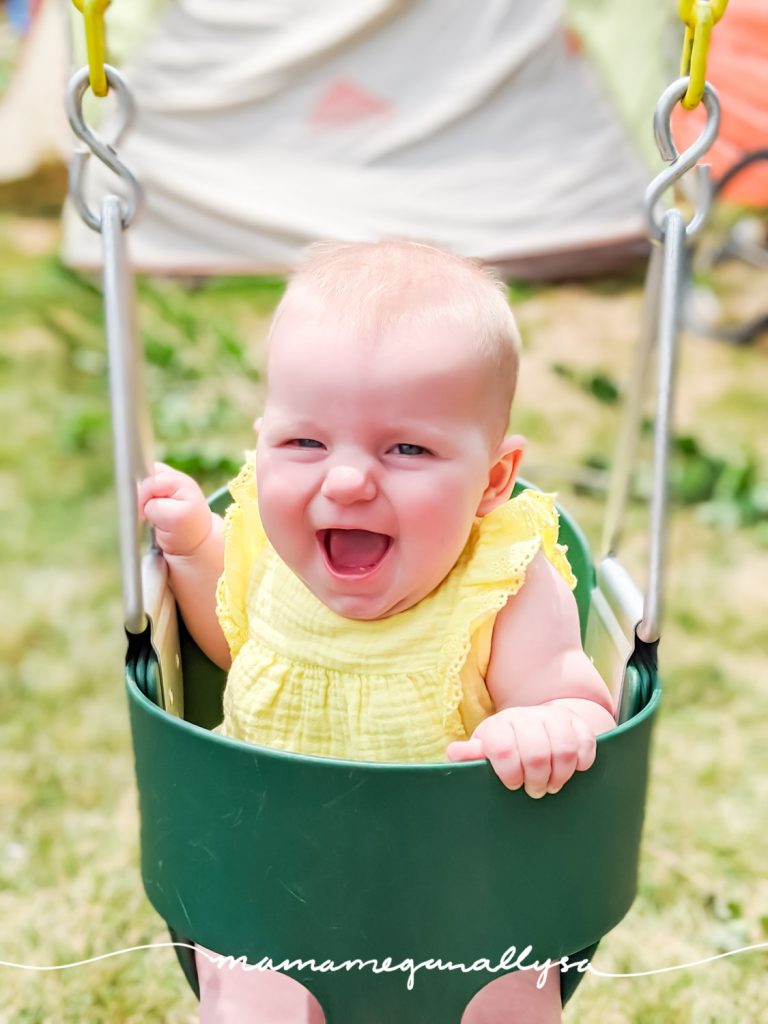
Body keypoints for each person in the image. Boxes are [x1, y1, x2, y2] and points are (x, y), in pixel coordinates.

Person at [139, 239, 615, 1023]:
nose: (349, 480)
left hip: (465, 891)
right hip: (273, 880)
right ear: (264, 439)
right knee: (252, 1003)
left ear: (493, 479)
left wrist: (547, 725)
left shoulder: (501, 580)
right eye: (305, 442)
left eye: (406, 448)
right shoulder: (264, 547)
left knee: (507, 1001)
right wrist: (194, 550)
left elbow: (576, 697)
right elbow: (234, 648)